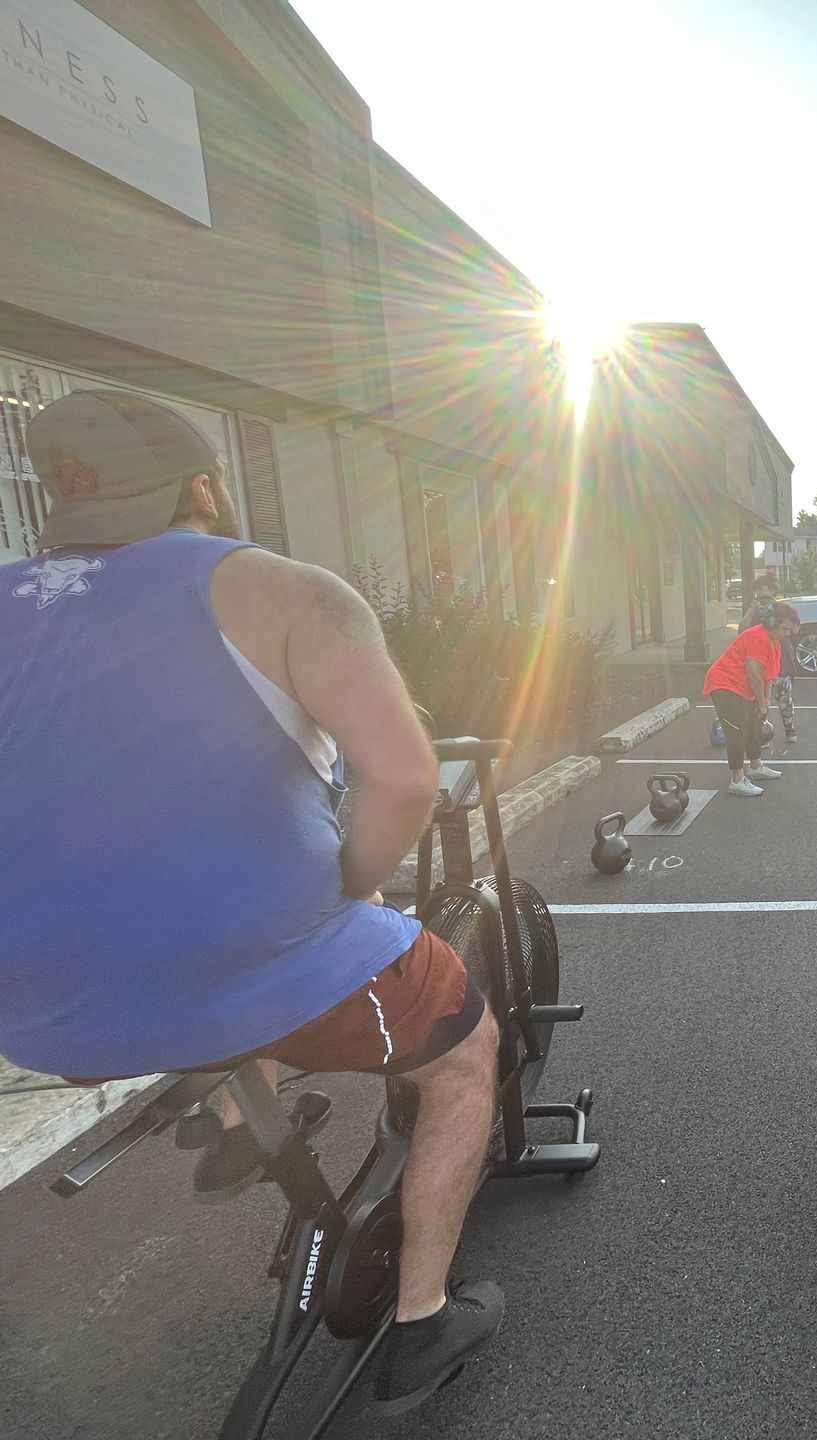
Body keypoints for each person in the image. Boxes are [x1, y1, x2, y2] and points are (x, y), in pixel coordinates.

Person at [0, 391, 505, 1410]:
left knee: (240, 964)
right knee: (463, 1053)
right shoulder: (275, 588)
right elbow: (402, 782)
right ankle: (423, 1320)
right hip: (241, 968)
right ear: (202, 485)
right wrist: (346, 889)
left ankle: (239, 1109)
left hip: (39, 1006)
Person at [705, 599, 799, 796]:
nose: (787, 634)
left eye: (790, 630)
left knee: (754, 725)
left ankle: (755, 767)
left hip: (743, 687)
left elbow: (768, 676)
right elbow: (754, 674)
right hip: (725, 684)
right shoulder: (758, 637)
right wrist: (761, 702)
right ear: (772, 621)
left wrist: (765, 703)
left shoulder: (775, 642)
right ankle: (737, 780)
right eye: (785, 628)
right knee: (737, 730)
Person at [754, 574, 799, 742]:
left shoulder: (782, 609)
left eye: (762, 589)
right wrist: (752, 610)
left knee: (784, 698)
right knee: (759, 700)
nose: (759, 593)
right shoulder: (755, 609)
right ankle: (760, 734)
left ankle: (790, 730)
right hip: (761, 661)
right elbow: (742, 630)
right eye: (757, 590)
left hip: (782, 662)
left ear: (773, 589)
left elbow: (795, 629)